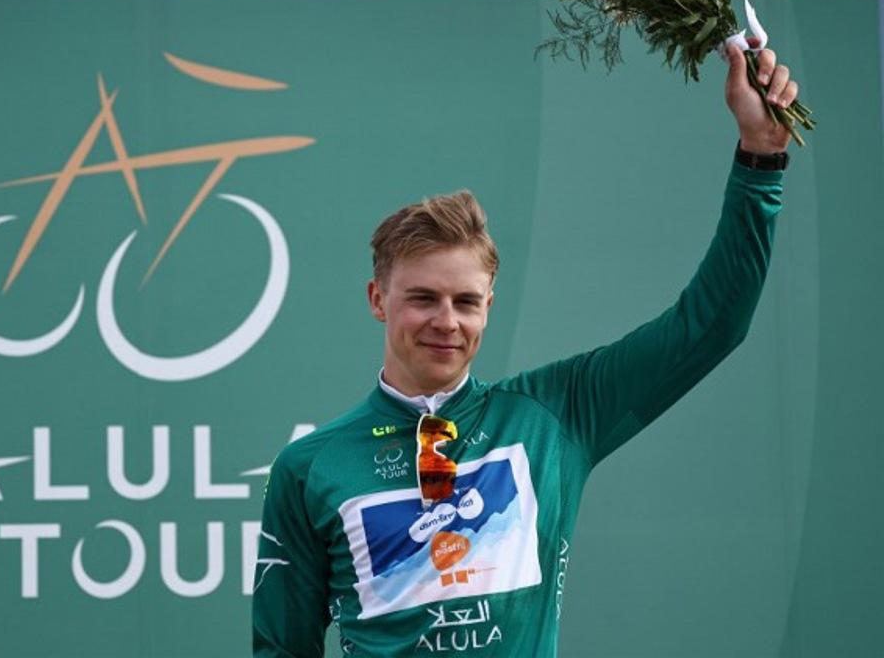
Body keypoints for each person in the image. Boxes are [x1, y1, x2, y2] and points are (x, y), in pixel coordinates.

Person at [252, 41, 798, 657]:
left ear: (489, 305)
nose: (446, 322)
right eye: (422, 298)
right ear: (378, 299)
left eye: (466, 301)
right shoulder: (309, 469)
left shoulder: (557, 413)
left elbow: (712, 325)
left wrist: (762, 157)